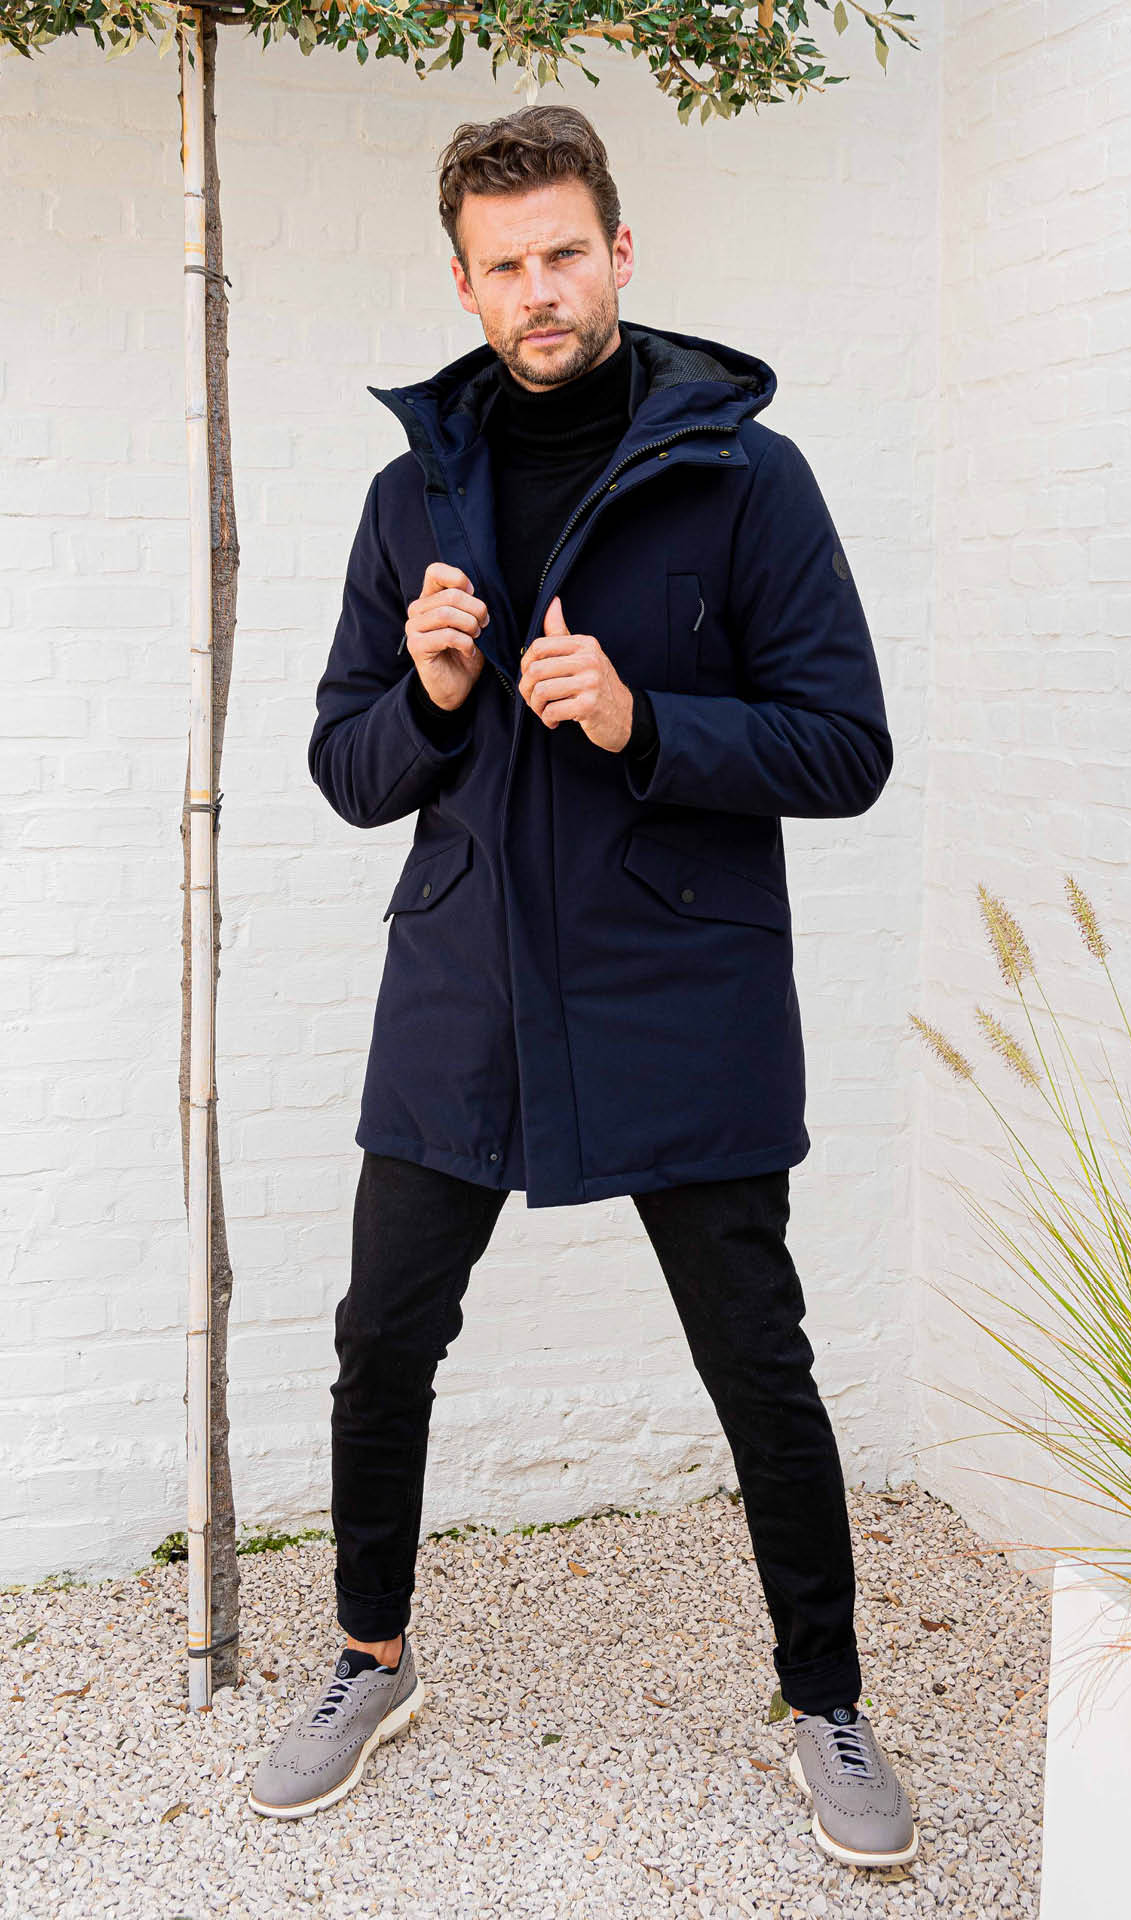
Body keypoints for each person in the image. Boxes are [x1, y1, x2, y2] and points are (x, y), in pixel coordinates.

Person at [248, 103, 917, 1869]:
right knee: (381, 1337)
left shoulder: (746, 477)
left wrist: (640, 722)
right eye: (505, 266)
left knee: (754, 1357)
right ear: (462, 284)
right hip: (462, 982)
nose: (538, 290)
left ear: (619, 250)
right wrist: (430, 694)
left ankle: (826, 1699)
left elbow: (845, 746)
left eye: (563, 252)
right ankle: (370, 1657)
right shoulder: (408, 499)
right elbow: (347, 770)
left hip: (676, 981)